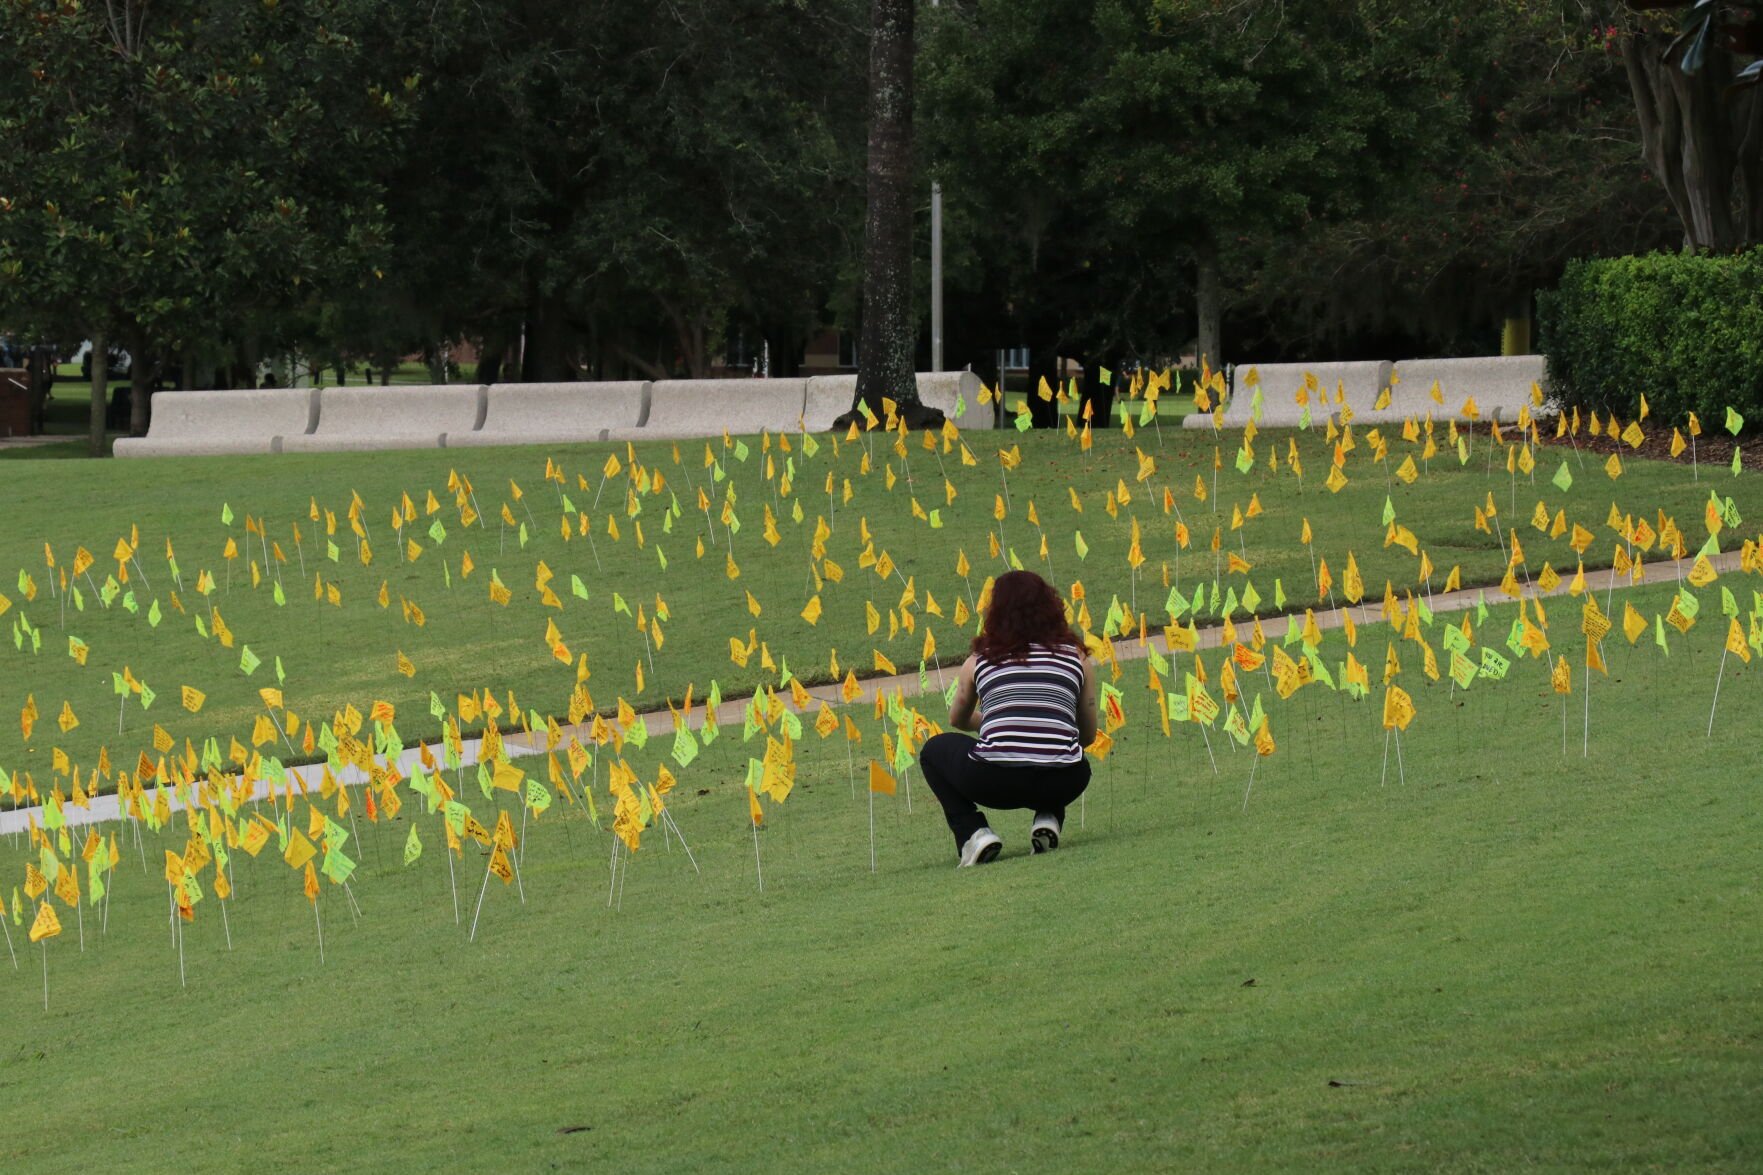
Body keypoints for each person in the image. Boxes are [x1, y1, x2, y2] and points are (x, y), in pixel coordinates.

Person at [919, 570, 1097, 867]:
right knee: (1065, 753)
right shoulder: (1076, 658)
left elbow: (957, 720)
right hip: (1064, 781)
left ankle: (973, 833)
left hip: (992, 781)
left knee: (933, 750)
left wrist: (996, 723)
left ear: (996, 612)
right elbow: (1087, 736)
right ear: (1051, 607)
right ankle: (1049, 816)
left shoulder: (979, 661)